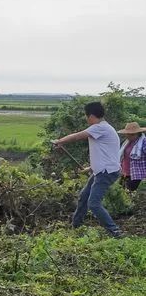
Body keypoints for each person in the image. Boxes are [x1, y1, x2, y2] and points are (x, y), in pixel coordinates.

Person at [52, 101, 124, 238]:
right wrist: (89, 168)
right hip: (101, 171)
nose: (86, 119)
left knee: (94, 203)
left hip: (105, 173)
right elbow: (107, 155)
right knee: (83, 197)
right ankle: (76, 226)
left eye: (86, 116)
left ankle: (115, 231)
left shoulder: (100, 127)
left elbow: (78, 136)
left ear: (91, 115)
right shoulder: (105, 129)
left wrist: (59, 141)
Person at [117, 121, 146, 192]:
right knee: (120, 191)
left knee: (128, 192)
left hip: (137, 173)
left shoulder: (143, 142)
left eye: (132, 134)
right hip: (125, 172)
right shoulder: (126, 142)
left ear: (137, 134)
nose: (128, 136)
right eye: (128, 134)